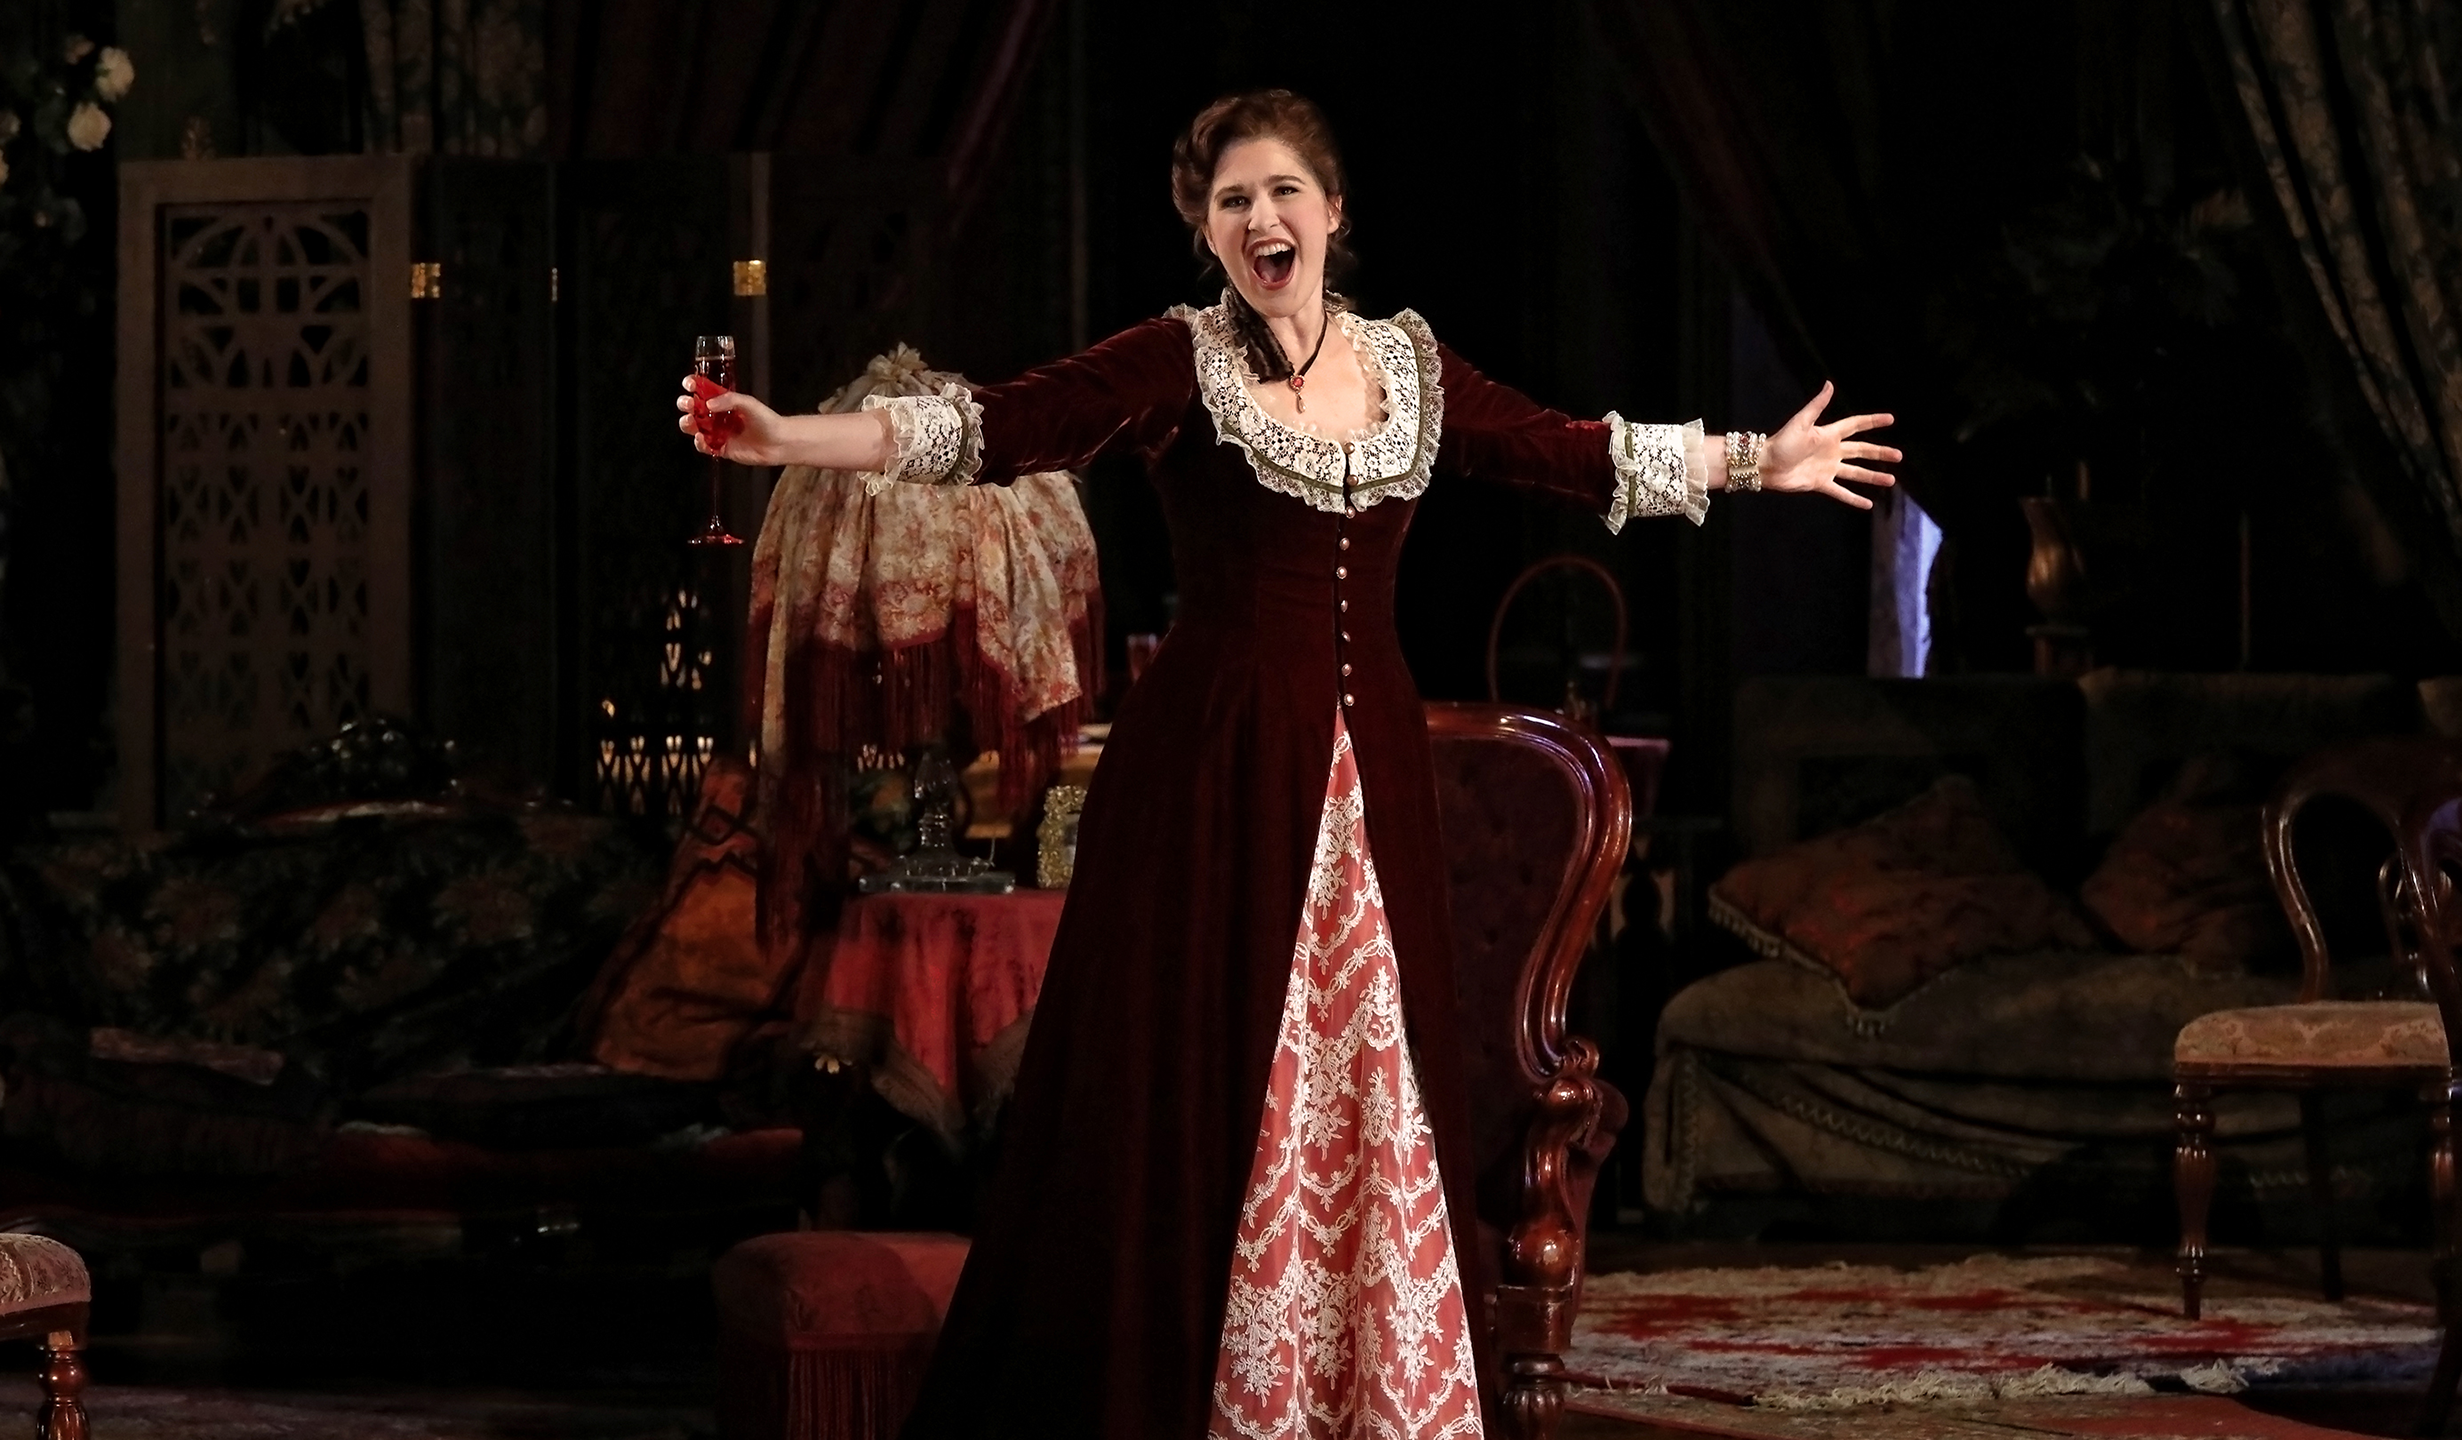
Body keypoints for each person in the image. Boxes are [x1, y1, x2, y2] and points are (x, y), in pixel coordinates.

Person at [679, 88, 1896, 1440]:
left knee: (1372, 1085)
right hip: (1207, 775)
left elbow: (1571, 452)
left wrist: (1753, 460)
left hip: (1365, 781)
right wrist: (787, 438)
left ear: (1332, 213)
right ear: (1208, 233)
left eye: (1281, 193)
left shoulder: (1413, 371)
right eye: (1231, 202)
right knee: (1195, 1080)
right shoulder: (1174, 363)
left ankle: (1365, 1399)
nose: (1261, 218)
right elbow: (990, 427)